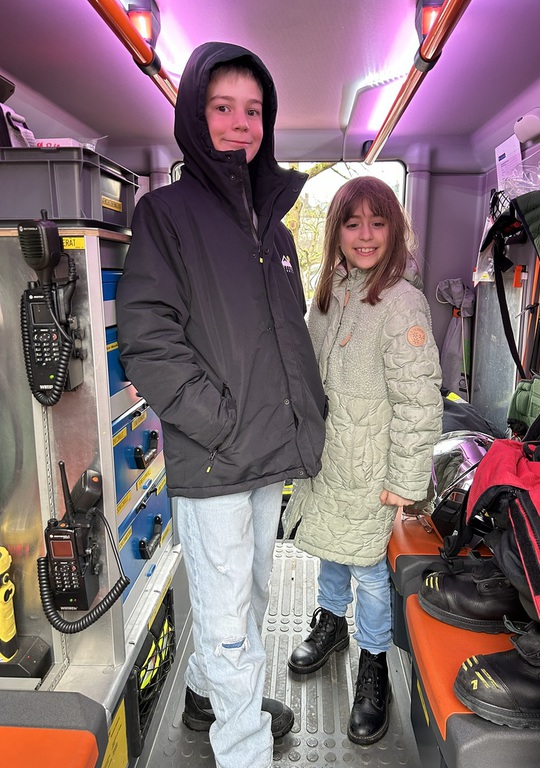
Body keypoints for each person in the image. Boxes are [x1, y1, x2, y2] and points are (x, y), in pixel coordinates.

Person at [116, 42, 327, 768]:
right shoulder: (165, 215)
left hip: (265, 450)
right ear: (194, 116)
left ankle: (208, 692)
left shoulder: (274, 227)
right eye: (223, 107)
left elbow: (285, 338)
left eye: (254, 110)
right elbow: (148, 342)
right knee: (228, 616)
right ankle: (243, 750)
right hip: (216, 456)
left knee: (255, 593)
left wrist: (303, 421)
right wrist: (220, 422)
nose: (242, 123)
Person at [283, 176, 443, 745]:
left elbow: (420, 400)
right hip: (330, 460)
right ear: (337, 233)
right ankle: (331, 623)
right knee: (332, 548)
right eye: (353, 223)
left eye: (378, 222)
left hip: (375, 468)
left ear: (395, 229)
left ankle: (374, 664)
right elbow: (307, 370)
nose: (366, 235)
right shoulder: (330, 292)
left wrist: (405, 480)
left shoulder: (402, 303)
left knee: (371, 573)